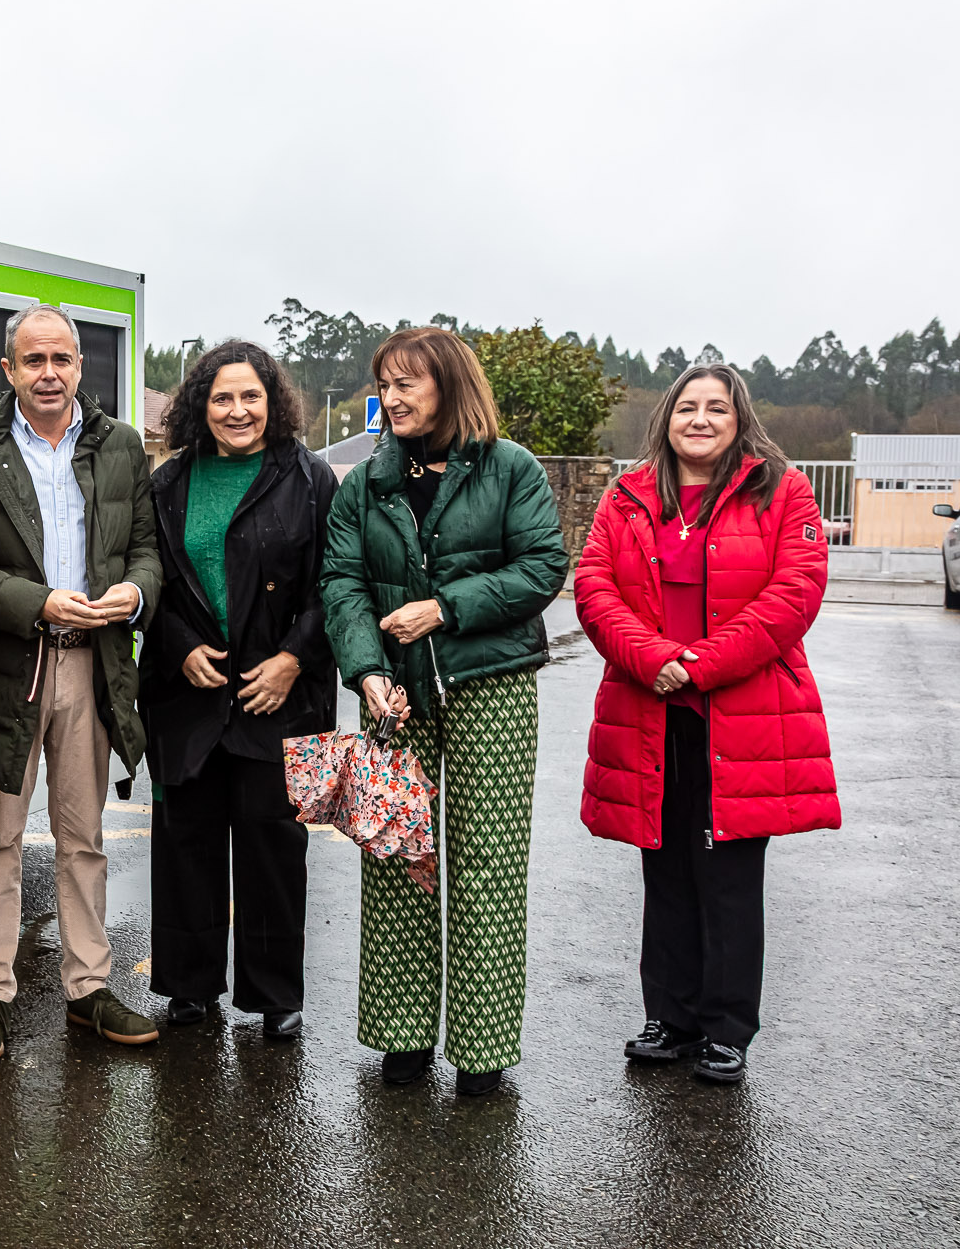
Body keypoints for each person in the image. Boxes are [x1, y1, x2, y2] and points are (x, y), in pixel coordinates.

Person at [320, 326, 567, 1097]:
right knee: (396, 856)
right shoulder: (366, 482)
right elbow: (341, 581)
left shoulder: (511, 468)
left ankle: (482, 1047)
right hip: (393, 694)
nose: (391, 398)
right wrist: (364, 669)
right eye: (384, 385)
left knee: (489, 863)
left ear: (449, 384)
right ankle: (403, 1034)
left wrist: (444, 608)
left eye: (407, 383)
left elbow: (544, 566)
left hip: (492, 686)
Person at [575, 362, 837, 1086]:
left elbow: (795, 592)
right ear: (666, 418)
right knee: (664, 871)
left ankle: (726, 1028)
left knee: (728, 880)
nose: (699, 419)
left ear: (738, 418)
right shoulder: (627, 495)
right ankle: (671, 1017)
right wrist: (653, 658)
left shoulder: (782, 490)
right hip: (649, 711)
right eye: (686, 406)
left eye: (716, 408)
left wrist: (700, 666)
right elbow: (594, 586)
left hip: (742, 717)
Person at [0, 303, 164, 1062]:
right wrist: (37, 602)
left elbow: (146, 548)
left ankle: (88, 987)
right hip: (11, 666)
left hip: (93, 663)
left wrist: (134, 593)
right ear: (8, 369)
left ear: (80, 366)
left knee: (83, 836)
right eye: (34, 360)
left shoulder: (120, 444)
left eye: (62, 359)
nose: (50, 373)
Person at [141, 342, 338, 1038]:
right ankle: (188, 985)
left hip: (277, 696)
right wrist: (178, 647)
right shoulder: (169, 483)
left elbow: (333, 584)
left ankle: (275, 994)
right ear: (201, 405)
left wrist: (293, 659)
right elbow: (150, 580)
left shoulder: (310, 479)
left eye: (250, 396)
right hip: (189, 694)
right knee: (185, 843)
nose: (237, 410)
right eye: (222, 397)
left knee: (272, 848)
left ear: (272, 401)